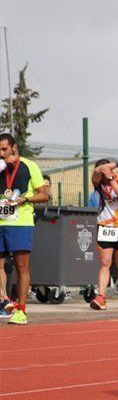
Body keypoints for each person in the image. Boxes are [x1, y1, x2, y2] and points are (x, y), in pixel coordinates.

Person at [0, 135, 49, 325]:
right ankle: (4, 300)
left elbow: (44, 194)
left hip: (21, 222)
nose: (1, 153)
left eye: (4, 149)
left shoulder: (29, 166)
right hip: (1, 221)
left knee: (22, 267)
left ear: (14, 147)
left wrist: (25, 199)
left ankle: (21, 309)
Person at [91, 158, 118, 310]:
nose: (102, 173)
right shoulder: (98, 183)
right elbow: (97, 172)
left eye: (105, 170)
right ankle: (101, 297)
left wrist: (111, 177)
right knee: (105, 263)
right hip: (105, 226)